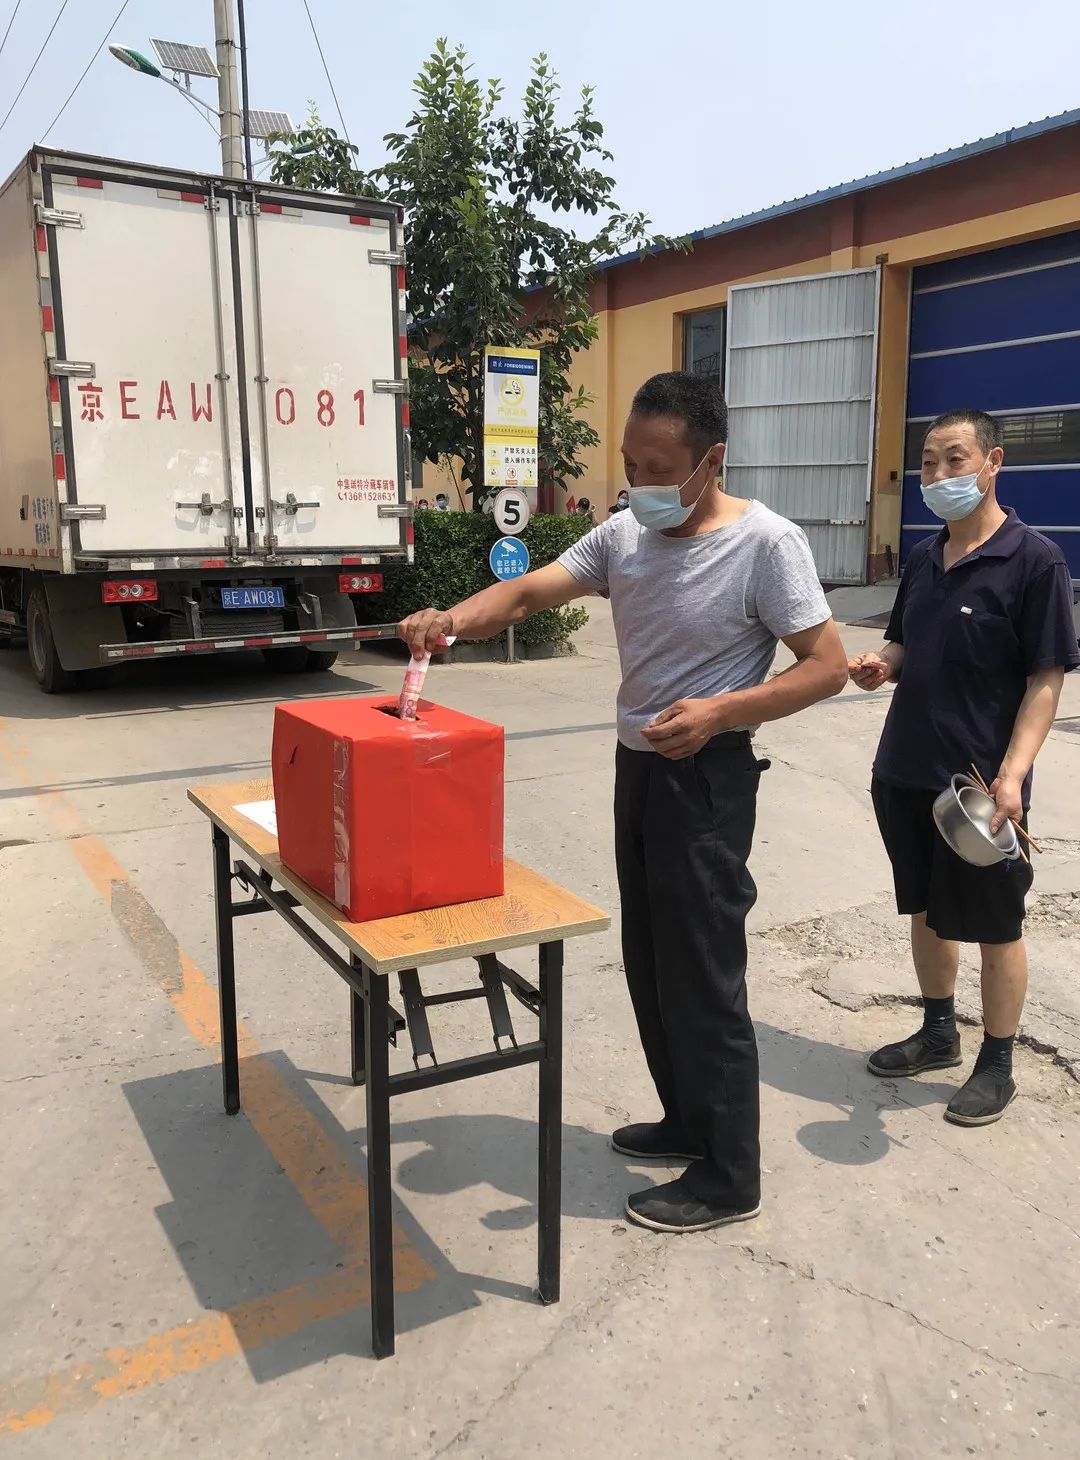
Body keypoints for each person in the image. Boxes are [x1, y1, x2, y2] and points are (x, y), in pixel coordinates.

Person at [400, 371, 848, 1232]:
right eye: (631, 465)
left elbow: (826, 667)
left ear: (712, 461)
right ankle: (686, 1118)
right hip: (637, 769)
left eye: (659, 469)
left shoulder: (767, 545)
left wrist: (722, 711)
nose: (640, 484)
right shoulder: (624, 537)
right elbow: (526, 592)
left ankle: (730, 1175)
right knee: (650, 959)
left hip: (706, 777)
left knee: (704, 973)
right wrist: (450, 618)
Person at [849, 409, 1078, 1126]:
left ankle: (997, 1062)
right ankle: (938, 1031)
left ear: (992, 463)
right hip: (905, 769)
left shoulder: (1034, 560)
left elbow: (1046, 679)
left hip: (981, 791)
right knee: (924, 909)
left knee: (995, 924)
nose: (939, 474)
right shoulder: (923, 558)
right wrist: (880, 664)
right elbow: (902, 644)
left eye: (955, 459)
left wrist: (1013, 775)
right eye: (929, 462)